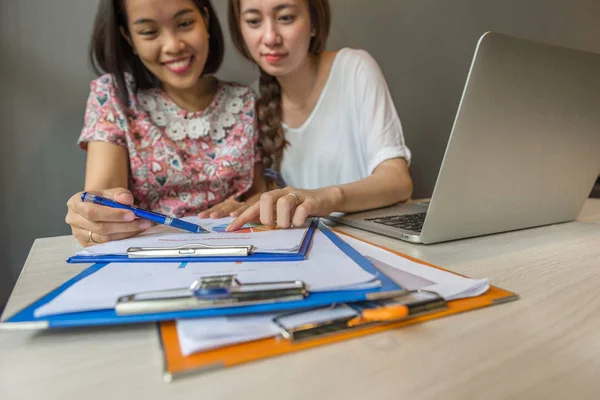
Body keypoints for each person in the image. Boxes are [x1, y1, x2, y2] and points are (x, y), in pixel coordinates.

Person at [65, 0, 265, 247]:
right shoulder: (114, 97)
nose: (174, 46)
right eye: (149, 32)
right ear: (128, 37)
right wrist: (94, 221)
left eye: (185, 24)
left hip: (239, 248)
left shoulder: (243, 100)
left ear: (205, 20)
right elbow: (103, 197)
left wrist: (253, 204)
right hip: (151, 257)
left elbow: (259, 191)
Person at [223, 0, 414, 231]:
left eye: (286, 18)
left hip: (371, 241)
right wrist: (243, 206)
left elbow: (398, 180)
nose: (270, 37)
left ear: (314, 22)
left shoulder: (354, 68)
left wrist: (328, 198)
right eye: (254, 21)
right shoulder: (253, 100)